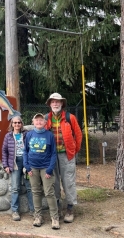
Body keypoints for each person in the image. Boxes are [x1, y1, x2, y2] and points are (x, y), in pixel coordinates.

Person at [45, 93, 82, 223]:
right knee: (53, 182)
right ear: (49, 104)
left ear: (62, 104)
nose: (55, 104)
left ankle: (70, 209)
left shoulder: (69, 118)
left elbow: (78, 135)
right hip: (51, 156)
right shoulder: (46, 119)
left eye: (58, 102)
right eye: (53, 102)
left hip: (67, 155)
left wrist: (73, 150)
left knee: (68, 182)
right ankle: (57, 208)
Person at [23, 113, 59, 230]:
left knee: (49, 192)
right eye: (36, 120)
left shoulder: (49, 135)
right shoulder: (29, 134)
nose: (38, 122)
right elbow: (25, 151)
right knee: (36, 192)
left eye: (41, 120)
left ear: (44, 123)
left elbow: (54, 153)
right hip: (33, 168)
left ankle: (55, 217)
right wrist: (27, 166)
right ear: (33, 122)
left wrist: (50, 169)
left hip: (46, 168)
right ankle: (38, 216)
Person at [2, 115, 34, 221]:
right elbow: (4, 151)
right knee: (15, 188)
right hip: (14, 164)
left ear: (21, 124)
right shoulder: (8, 136)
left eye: (19, 122)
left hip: (26, 163)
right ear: (12, 124)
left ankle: (33, 210)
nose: (17, 124)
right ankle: (15, 211)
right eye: (15, 123)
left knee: (29, 187)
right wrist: (6, 165)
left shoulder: (26, 134)